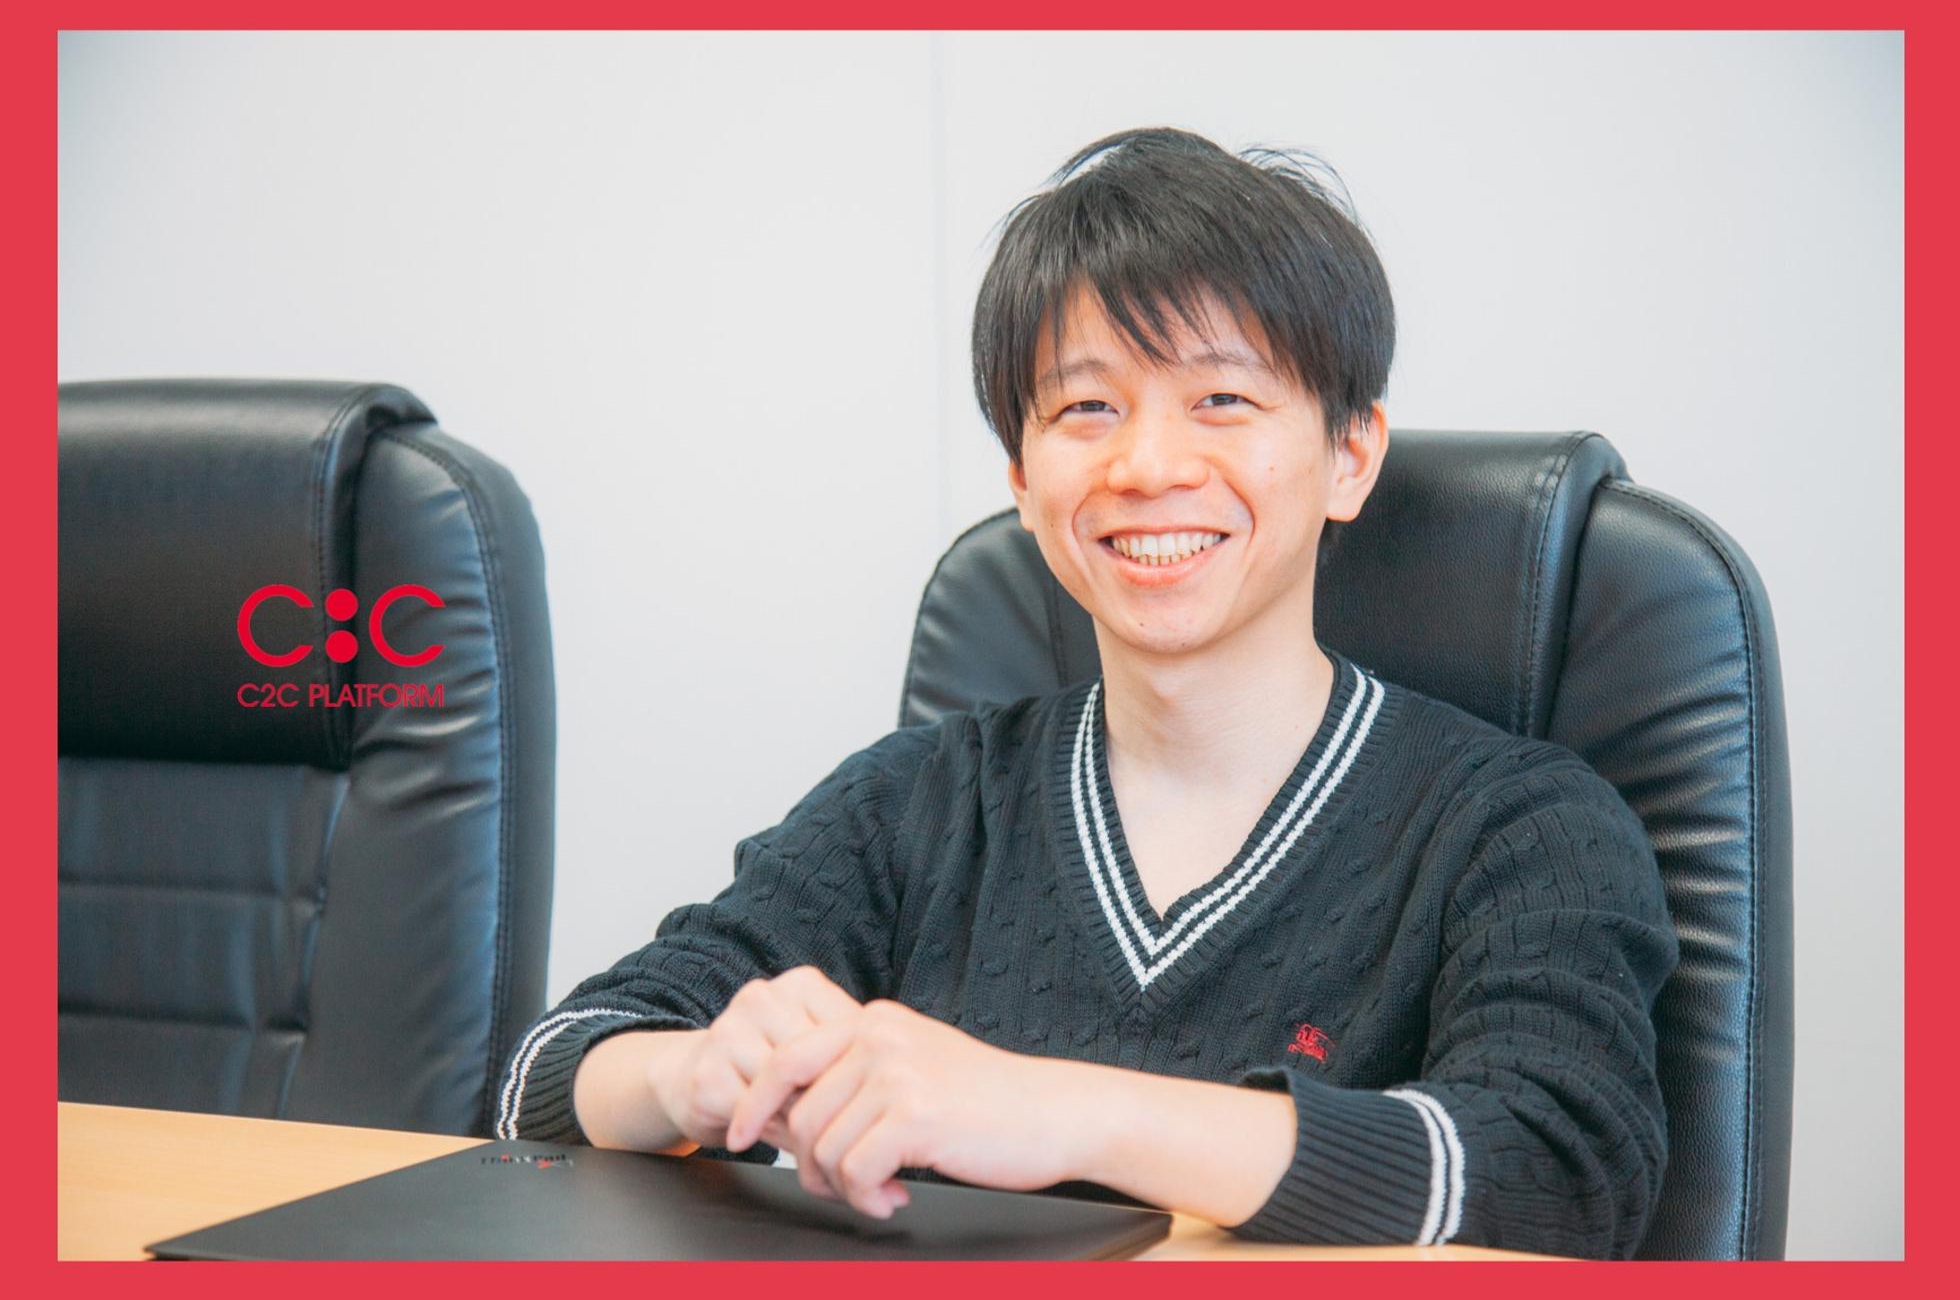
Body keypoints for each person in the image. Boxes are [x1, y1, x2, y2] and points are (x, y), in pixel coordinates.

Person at [498, 127, 1680, 1259]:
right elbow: (539, 1078)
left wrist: (1060, 1112)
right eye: (1086, 408)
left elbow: (1560, 1171)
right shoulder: (917, 801)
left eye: (1222, 399)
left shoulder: (1519, 823)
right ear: (1023, 478)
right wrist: (689, 1075)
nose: (1147, 466)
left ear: (1350, 453)